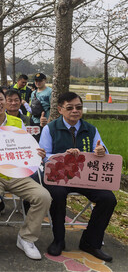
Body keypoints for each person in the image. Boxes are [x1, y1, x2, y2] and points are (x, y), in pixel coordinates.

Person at [0, 86, 51, 260]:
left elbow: (24, 148)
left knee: (43, 196)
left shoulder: (17, 122)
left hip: (15, 174)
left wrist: (37, 153)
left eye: (1, 99)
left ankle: (26, 238)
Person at [39, 92, 116, 262]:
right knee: (57, 195)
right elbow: (44, 156)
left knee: (108, 198)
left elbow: (104, 152)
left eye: (79, 107)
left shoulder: (91, 129)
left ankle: (90, 242)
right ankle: (59, 240)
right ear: (60, 109)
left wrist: (101, 152)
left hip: (85, 177)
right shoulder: (50, 129)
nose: (75, 111)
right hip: (59, 177)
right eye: (70, 108)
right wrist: (63, 156)